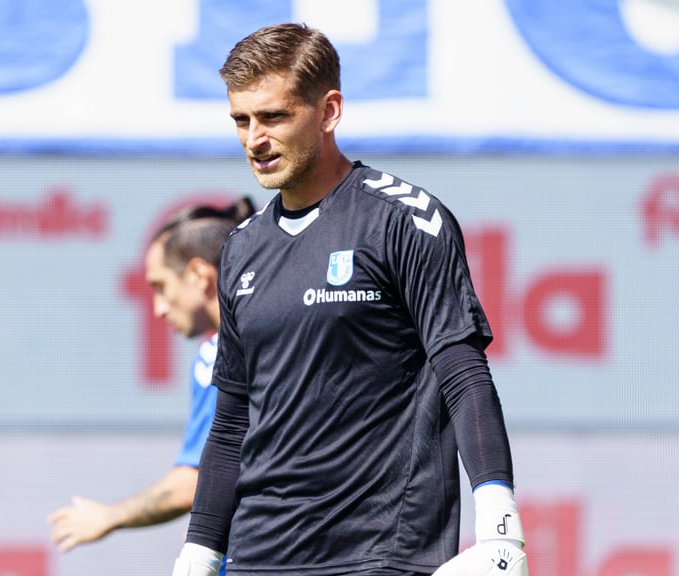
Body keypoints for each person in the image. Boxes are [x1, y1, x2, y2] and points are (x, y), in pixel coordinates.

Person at [171, 22, 528, 576]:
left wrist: (501, 522)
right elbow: (232, 418)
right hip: (258, 555)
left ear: (329, 111)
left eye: (273, 117)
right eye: (241, 120)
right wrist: (199, 550)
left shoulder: (405, 221)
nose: (253, 139)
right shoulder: (241, 250)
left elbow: (463, 375)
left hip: (379, 551)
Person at [47, 197, 255, 564]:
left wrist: (109, 516)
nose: (158, 308)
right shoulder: (269, 339)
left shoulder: (218, 356)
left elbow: (195, 481)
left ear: (199, 276)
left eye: (160, 286)